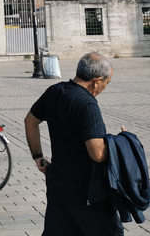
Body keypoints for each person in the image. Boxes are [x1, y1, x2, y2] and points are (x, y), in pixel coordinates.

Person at [24, 53, 124, 235]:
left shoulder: (54, 91)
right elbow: (97, 153)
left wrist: (37, 156)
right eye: (106, 83)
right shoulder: (87, 105)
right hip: (87, 191)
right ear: (96, 81)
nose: (104, 88)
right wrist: (123, 144)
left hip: (58, 184)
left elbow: (30, 121)